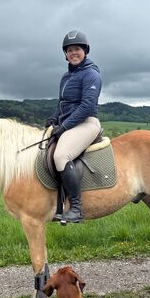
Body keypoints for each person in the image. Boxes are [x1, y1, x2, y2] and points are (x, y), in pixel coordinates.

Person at [45, 30, 102, 223]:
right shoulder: (66, 76)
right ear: (66, 54)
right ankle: (56, 204)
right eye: (69, 50)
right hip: (69, 124)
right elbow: (62, 104)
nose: (73, 53)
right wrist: (54, 119)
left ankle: (76, 208)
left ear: (85, 51)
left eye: (77, 49)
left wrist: (64, 126)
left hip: (86, 123)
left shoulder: (91, 74)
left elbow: (87, 106)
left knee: (61, 155)